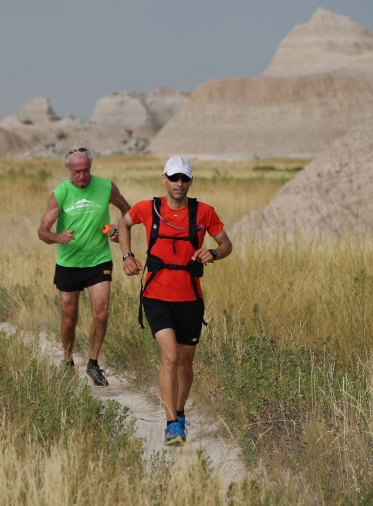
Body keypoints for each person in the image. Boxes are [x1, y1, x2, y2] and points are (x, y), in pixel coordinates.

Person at [117, 155, 232, 445]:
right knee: (169, 357)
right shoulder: (148, 208)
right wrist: (127, 255)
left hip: (190, 298)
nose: (178, 183)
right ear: (164, 179)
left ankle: (179, 412)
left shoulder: (204, 212)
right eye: (174, 177)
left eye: (184, 178)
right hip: (156, 296)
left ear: (190, 181)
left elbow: (226, 243)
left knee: (185, 365)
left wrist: (213, 253)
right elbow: (124, 222)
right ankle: (171, 425)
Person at [38, 145, 132, 386]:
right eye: (77, 171)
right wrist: (57, 237)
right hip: (69, 263)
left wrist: (116, 229)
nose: (82, 176)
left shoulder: (105, 186)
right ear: (69, 169)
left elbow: (127, 210)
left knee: (101, 312)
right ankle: (68, 360)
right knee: (69, 318)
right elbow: (42, 231)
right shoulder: (60, 193)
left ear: (91, 168)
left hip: (98, 260)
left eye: (86, 170)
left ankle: (93, 363)